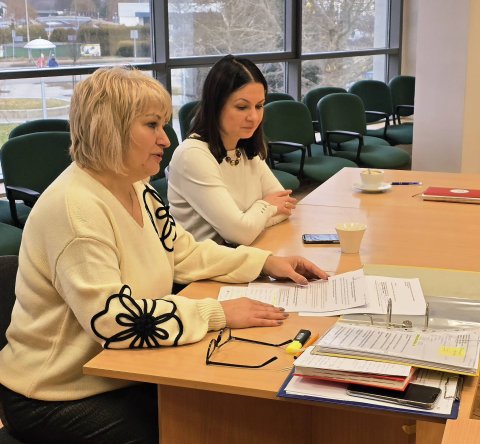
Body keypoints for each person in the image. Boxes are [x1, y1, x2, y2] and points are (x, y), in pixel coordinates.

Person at [0, 66, 328, 444]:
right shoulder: (75, 209)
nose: (165, 140)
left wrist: (264, 263)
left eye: (164, 125)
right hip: (54, 393)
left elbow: (181, 252)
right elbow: (117, 322)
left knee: (230, 410)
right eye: (152, 125)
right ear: (110, 128)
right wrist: (218, 313)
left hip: (116, 372)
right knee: (199, 429)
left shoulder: (135, 186)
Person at [168, 54, 297, 246]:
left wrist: (250, 222)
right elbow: (240, 234)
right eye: (242, 107)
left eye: (259, 106)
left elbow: (285, 206)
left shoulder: (244, 148)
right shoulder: (192, 155)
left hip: (240, 254)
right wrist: (265, 206)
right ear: (215, 106)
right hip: (203, 263)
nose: (254, 117)